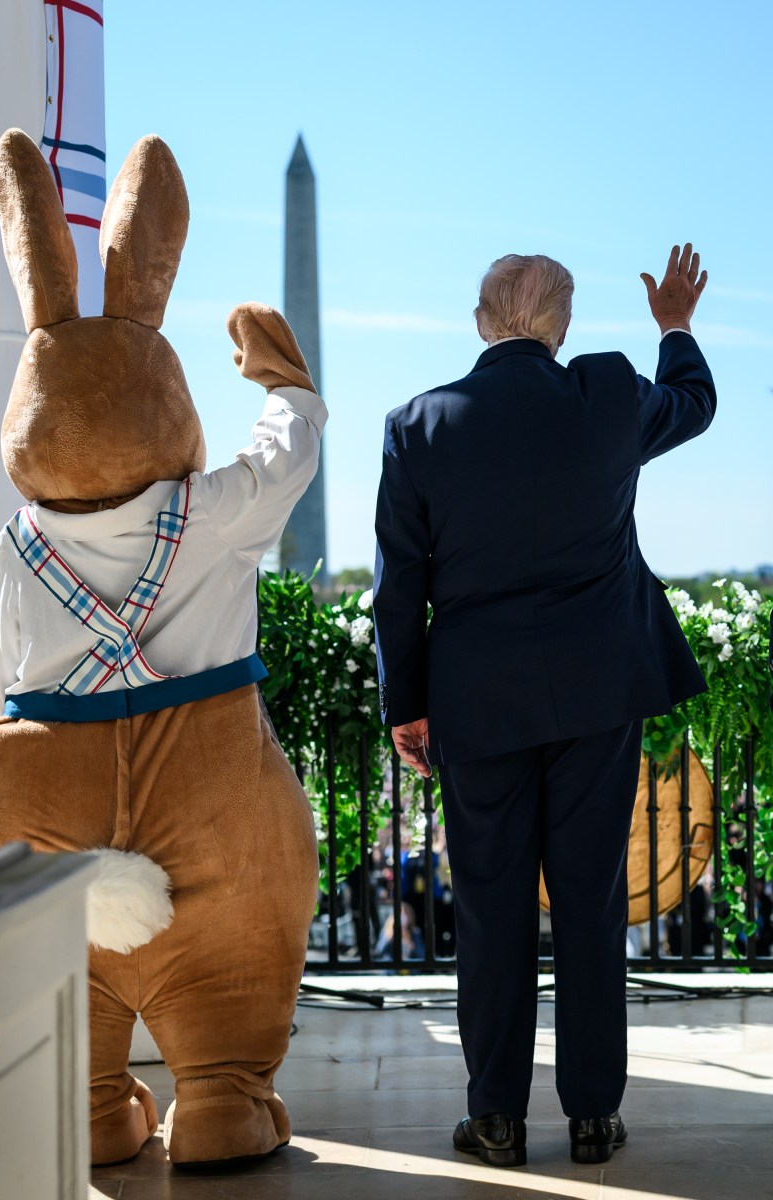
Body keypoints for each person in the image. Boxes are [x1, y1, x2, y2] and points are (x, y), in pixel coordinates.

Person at [373, 245, 715, 1168]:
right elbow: (695, 405)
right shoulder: (605, 395)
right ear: (560, 326)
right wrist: (674, 325)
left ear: (483, 320)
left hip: (476, 706)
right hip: (599, 695)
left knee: (489, 913)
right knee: (593, 905)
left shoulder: (419, 425)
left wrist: (406, 704)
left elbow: (400, 590)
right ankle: (595, 1116)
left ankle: (495, 1120)